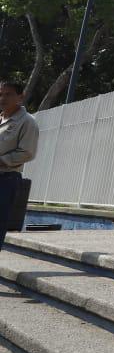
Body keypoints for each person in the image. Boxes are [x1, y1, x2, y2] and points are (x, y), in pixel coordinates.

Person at [0, 80, 39, 252]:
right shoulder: (1, 119)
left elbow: (27, 153)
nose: (3, 98)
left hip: (6, 180)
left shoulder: (27, 122)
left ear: (20, 97)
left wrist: (2, 160)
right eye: (1, 94)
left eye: (8, 94)